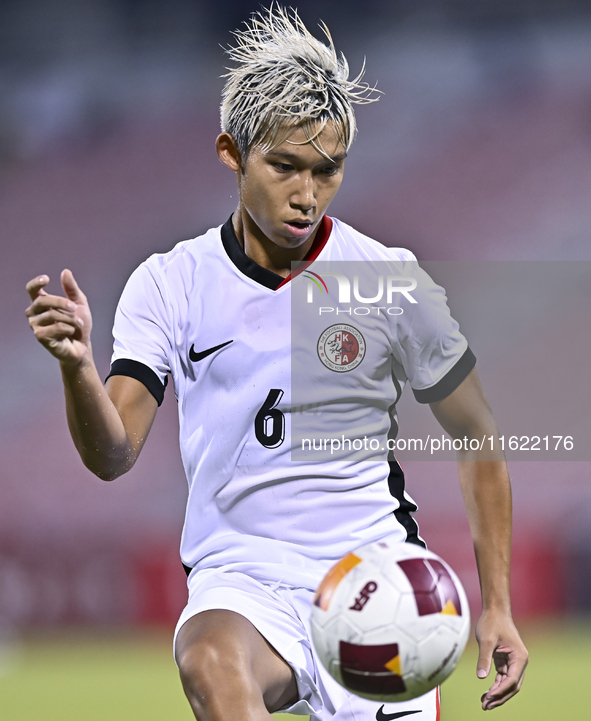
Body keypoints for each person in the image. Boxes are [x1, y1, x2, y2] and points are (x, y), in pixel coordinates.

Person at [25, 6, 527, 720]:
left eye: (327, 171)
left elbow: (476, 435)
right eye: (284, 166)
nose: (306, 194)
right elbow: (111, 453)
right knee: (206, 657)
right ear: (232, 152)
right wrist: (77, 367)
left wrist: (498, 606)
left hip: (374, 578)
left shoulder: (388, 278)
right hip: (243, 577)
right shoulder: (171, 283)